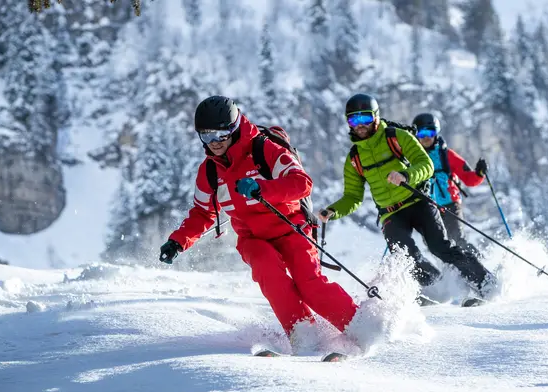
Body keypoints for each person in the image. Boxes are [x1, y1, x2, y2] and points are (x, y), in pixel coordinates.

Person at [159, 95, 359, 345]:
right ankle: (305, 336)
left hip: (290, 228)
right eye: (207, 136)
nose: (214, 143)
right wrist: (178, 241)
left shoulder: (264, 149)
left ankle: (359, 326)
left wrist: (262, 189)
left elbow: (302, 183)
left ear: (234, 128)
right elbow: (202, 213)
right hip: (252, 238)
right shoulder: (209, 171)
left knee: (309, 285)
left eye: (220, 134)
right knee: (269, 274)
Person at [317, 93, 497, 302]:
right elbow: (352, 196)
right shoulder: (354, 158)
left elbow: (426, 165)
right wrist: (333, 211)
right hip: (390, 213)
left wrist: (406, 175)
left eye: (365, 118)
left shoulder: (397, 137)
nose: (360, 125)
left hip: (418, 201)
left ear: (376, 117)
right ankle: (437, 289)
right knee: (405, 257)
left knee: (440, 247)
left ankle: (485, 283)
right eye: (353, 120)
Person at [412, 113, 487, 258]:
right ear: (416, 135)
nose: (426, 137)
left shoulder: (447, 155)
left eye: (430, 133)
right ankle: (451, 270)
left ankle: (480, 263)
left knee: (458, 240)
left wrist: (479, 173)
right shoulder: (413, 158)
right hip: (428, 208)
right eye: (422, 133)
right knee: (435, 245)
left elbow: (469, 179)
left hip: (450, 204)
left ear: (436, 133)